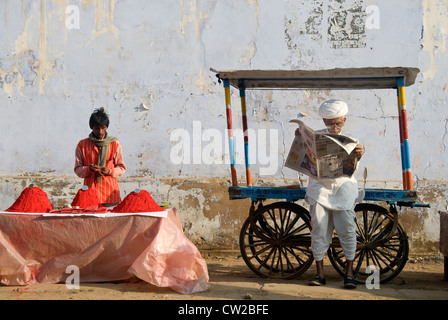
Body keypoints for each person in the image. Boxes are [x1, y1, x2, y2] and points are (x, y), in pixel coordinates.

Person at [297, 99, 363, 289]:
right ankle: (319, 274)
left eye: (338, 123)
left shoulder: (352, 142)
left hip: (343, 190)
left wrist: (358, 155)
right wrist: (300, 140)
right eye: (330, 123)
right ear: (324, 121)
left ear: (344, 121)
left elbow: (352, 168)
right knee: (319, 230)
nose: (334, 127)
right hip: (320, 190)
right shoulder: (316, 137)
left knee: (347, 230)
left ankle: (349, 273)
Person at [74, 107, 126, 206]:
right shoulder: (82, 145)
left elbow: (122, 168)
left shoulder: (115, 144)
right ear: (91, 127)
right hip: (89, 195)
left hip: (110, 195)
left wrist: (110, 171)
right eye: (97, 128)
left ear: (107, 127)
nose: (100, 132)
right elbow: (77, 170)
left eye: (103, 128)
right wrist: (88, 169)